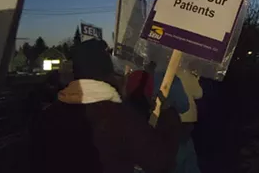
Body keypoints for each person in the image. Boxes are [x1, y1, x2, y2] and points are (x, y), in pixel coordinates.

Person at [31, 39, 182, 173]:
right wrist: (168, 116)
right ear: (107, 74)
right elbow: (160, 162)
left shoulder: (48, 115)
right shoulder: (121, 118)